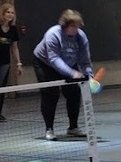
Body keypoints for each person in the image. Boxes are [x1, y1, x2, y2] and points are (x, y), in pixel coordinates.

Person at [32, 10, 93, 141]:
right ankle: (49, 129)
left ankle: (73, 128)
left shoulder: (81, 37)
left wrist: (89, 74)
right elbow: (54, 59)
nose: (76, 29)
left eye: (78, 26)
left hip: (68, 62)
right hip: (45, 64)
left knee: (74, 93)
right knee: (51, 94)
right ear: (65, 26)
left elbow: (84, 59)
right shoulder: (53, 35)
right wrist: (72, 73)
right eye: (73, 26)